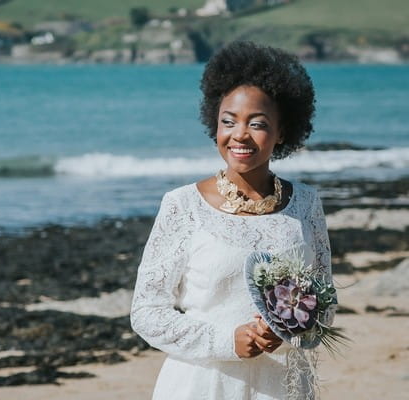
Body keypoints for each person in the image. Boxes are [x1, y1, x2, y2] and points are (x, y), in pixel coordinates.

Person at [130, 41, 334, 400]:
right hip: (201, 386)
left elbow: (324, 306)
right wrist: (228, 341)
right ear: (214, 124)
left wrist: (287, 333)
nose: (240, 134)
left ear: (282, 131)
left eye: (257, 123)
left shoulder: (306, 204)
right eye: (229, 121)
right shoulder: (182, 205)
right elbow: (146, 311)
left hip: (282, 386)